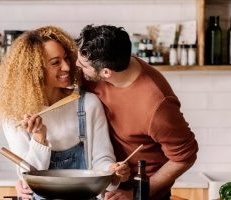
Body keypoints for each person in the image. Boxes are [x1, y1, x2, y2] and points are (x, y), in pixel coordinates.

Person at [0, 26, 130, 200]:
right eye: (55, 62)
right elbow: (28, 179)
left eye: (66, 58)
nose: (67, 66)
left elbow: (102, 160)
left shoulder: (87, 104)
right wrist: (39, 139)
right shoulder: (15, 115)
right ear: (33, 71)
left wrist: (112, 172)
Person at [75, 25, 199, 200]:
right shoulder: (105, 64)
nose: (76, 65)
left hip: (137, 192)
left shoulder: (157, 105)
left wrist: (135, 194)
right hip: (101, 184)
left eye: (82, 65)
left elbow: (184, 158)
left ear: (106, 73)